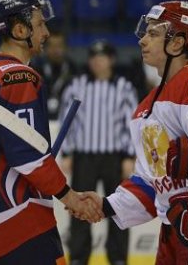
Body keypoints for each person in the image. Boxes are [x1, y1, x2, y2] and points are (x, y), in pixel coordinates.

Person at [78, 1, 188, 264]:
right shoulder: (145, 108)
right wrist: (106, 206)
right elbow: (151, 182)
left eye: (153, 33)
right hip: (173, 230)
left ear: (177, 43)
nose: (142, 40)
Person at [0, 0, 102, 265]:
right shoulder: (19, 77)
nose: (46, 33)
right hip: (20, 225)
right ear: (19, 30)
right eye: (39, 25)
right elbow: (28, 158)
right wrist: (70, 197)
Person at [58, 39, 138, 265]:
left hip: (114, 156)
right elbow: (68, 120)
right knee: (79, 207)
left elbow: (131, 122)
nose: (97, 61)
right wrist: (67, 152)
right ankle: (78, 258)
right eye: (93, 57)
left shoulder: (124, 86)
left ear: (111, 59)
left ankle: (118, 258)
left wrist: (129, 155)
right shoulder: (77, 85)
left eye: (101, 57)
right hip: (84, 156)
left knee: (119, 208)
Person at [30, 31, 78, 120]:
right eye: (51, 46)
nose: (55, 50)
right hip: (40, 119)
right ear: (45, 48)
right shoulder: (35, 69)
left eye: (59, 46)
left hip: (65, 122)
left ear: (66, 48)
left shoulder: (74, 71)